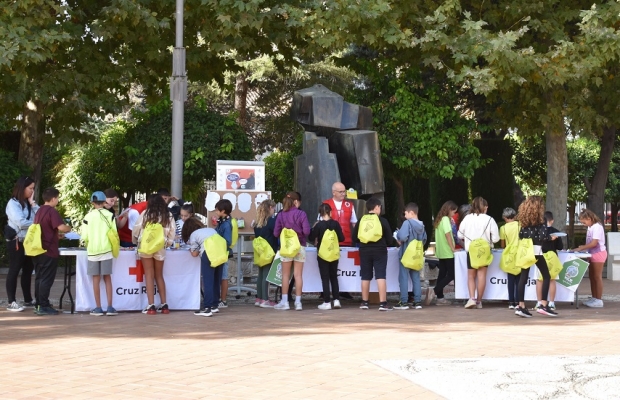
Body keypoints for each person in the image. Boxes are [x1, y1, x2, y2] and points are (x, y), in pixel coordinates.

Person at [514, 196, 559, 318]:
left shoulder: (524, 219)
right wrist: (551, 238)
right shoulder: (541, 220)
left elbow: (521, 234)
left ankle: (521, 305)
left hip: (526, 250)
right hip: (537, 251)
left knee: (523, 278)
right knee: (546, 275)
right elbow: (543, 236)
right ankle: (543, 304)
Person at [132, 194, 176, 315]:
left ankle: (151, 306)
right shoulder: (168, 215)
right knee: (159, 275)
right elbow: (172, 232)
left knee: (149, 275)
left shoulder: (145, 214)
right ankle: (164, 305)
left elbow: (136, 230)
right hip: (160, 248)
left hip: (146, 248)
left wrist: (136, 242)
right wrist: (167, 244)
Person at [31, 187, 72, 315]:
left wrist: (56, 236)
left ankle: (38, 303)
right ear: (53, 198)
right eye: (58, 198)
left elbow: (45, 229)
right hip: (48, 250)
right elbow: (62, 227)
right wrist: (68, 228)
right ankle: (43, 306)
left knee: (39, 277)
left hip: (38, 249)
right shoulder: (52, 211)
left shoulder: (39, 211)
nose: (58, 201)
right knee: (46, 279)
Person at [352, 197, 394, 311]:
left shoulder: (361, 220)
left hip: (364, 250)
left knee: (365, 276)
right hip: (380, 250)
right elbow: (390, 240)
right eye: (380, 207)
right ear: (376, 208)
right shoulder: (383, 221)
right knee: (380, 275)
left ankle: (364, 302)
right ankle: (383, 303)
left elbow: (354, 237)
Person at [457, 197, 499, 309]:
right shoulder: (489, 219)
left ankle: (472, 298)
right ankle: (479, 301)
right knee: (481, 276)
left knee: (471, 276)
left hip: (471, 250)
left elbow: (460, 235)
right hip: (484, 251)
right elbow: (496, 239)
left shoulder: (467, 219)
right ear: (484, 207)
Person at [81, 191, 118, 316]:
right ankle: (110, 307)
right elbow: (114, 232)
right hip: (107, 250)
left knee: (96, 279)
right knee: (107, 278)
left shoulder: (88, 217)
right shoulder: (110, 215)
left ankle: (98, 308)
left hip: (92, 251)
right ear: (104, 202)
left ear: (92, 203)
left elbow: (84, 236)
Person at [5, 176, 39, 312]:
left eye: (33, 188)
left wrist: (33, 204)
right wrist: (37, 224)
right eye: (30, 188)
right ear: (22, 188)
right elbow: (21, 222)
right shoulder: (13, 204)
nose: (32, 191)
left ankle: (28, 299)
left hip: (28, 242)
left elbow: (40, 215)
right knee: (14, 269)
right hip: (16, 242)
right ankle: (11, 301)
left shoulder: (28, 203)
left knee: (28, 270)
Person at [273, 191, 311, 310]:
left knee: (285, 275)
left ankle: (285, 302)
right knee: (298, 275)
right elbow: (307, 231)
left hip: (286, 248)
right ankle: (298, 302)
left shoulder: (281, 215)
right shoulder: (301, 214)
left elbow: (275, 233)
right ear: (296, 201)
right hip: (300, 247)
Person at [322, 182, 357, 300]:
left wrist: (357, 238)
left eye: (344, 191)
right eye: (341, 192)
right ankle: (325, 292)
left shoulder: (349, 205)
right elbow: (319, 222)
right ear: (334, 192)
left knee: (345, 268)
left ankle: (344, 290)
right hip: (329, 243)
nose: (343, 194)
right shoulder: (325, 204)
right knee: (329, 269)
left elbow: (354, 223)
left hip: (346, 240)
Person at [181, 217, 220, 317]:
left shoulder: (194, 234)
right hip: (221, 252)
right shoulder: (211, 229)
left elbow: (194, 254)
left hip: (208, 253)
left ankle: (207, 308)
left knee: (208, 281)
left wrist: (192, 250)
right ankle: (215, 305)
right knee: (216, 280)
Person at [309, 203, 345, 310]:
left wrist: (314, 227)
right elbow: (342, 238)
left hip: (322, 254)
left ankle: (327, 302)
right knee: (334, 277)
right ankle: (337, 300)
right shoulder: (335, 224)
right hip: (334, 254)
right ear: (330, 212)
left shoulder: (319, 225)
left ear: (320, 213)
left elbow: (311, 237)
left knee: (325, 278)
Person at [395, 203, 427, 310]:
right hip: (416, 255)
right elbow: (424, 239)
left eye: (406, 213)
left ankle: (403, 302)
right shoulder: (422, 225)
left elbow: (402, 236)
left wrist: (397, 235)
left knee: (403, 278)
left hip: (406, 254)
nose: (405, 216)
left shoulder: (407, 223)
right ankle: (417, 301)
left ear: (411, 213)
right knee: (416, 278)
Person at [574, 209, 607, 308]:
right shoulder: (590, 227)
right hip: (592, 254)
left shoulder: (597, 227)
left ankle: (598, 299)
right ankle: (594, 297)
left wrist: (581, 248)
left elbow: (594, 243)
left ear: (589, 218)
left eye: (584, 222)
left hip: (598, 253)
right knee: (592, 277)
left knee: (597, 277)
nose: (584, 224)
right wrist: (583, 249)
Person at [430, 200, 459, 306]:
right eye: (453, 212)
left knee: (442, 274)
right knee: (451, 274)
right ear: (449, 210)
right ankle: (435, 291)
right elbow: (448, 235)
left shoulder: (439, 220)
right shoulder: (446, 219)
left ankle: (440, 298)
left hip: (441, 252)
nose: (454, 214)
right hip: (447, 252)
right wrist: (453, 248)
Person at [535, 211, 563, 310]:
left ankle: (539, 302)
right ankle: (551, 302)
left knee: (539, 280)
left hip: (540, 256)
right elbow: (560, 247)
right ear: (552, 221)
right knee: (552, 280)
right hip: (553, 257)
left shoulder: (538, 231)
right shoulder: (556, 232)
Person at [253, 199, 278, 308]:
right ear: (269, 208)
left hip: (259, 251)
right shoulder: (271, 221)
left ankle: (258, 298)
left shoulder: (257, 223)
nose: (274, 210)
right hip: (269, 251)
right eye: (273, 208)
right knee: (266, 276)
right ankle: (265, 300)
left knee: (260, 275)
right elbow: (276, 233)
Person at [214, 199, 234, 309]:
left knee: (224, 277)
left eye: (217, 210)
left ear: (223, 211)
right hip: (219, 252)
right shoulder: (222, 221)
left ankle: (223, 300)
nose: (216, 212)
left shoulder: (226, 224)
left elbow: (228, 241)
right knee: (220, 276)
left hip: (223, 253)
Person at [499, 207, 519, 309]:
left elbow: (502, 244)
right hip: (519, 253)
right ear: (514, 216)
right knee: (520, 280)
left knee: (510, 279)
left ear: (504, 217)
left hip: (509, 254)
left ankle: (511, 302)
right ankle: (519, 301)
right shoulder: (520, 225)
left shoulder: (503, 228)